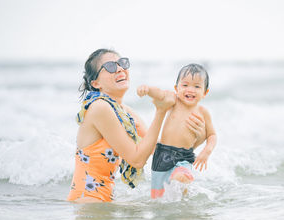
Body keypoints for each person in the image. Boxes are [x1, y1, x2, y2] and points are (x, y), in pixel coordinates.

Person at [67, 49, 206, 203]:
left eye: (122, 63)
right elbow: (137, 159)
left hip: (105, 203)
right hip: (87, 204)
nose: (120, 69)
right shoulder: (100, 107)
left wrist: (196, 140)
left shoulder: (124, 111)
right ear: (96, 83)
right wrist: (160, 111)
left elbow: (160, 150)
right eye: (111, 66)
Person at [137, 63, 217, 199]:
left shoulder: (203, 112)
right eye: (185, 85)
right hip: (162, 154)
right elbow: (160, 94)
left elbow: (212, 135)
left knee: (182, 177)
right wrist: (148, 90)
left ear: (205, 92)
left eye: (196, 86)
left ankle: (184, 198)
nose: (190, 90)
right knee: (158, 199)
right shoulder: (174, 101)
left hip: (184, 156)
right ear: (176, 88)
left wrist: (206, 152)